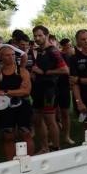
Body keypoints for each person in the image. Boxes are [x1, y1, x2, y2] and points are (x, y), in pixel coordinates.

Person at [0, 45, 34, 159]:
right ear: (0, 57)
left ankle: (30, 161)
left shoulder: (22, 71)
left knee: (26, 133)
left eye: (13, 55)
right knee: (8, 137)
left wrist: (5, 91)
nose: (11, 57)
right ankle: (11, 163)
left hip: (23, 106)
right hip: (4, 107)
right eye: (7, 55)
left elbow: (26, 91)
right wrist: (17, 91)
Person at [30, 25, 69, 153]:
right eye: (35, 36)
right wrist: (34, 73)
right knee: (37, 120)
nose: (37, 38)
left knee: (49, 120)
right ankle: (45, 147)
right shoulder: (39, 51)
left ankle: (56, 147)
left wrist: (44, 72)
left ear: (46, 35)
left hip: (49, 90)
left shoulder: (53, 51)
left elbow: (65, 70)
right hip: (38, 89)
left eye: (40, 35)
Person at [56, 38, 75, 146]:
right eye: (69, 46)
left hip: (64, 87)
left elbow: (70, 71)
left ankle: (67, 136)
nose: (70, 47)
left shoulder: (70, 57)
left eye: (70, 45)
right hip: (54, 87)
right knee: (52, 114)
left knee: (65, 113)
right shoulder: (58, 55)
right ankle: (54, 137)